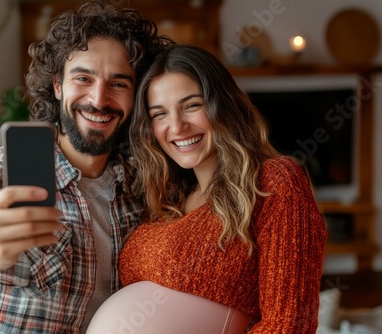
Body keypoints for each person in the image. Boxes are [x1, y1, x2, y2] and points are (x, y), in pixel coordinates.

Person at [0, 1, 173, 333]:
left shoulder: (145, 184)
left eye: (119, 83)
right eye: (83, 78)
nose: (99, 99)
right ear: (57, 85)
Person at [87, 45, 328, 333]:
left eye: (191, 105)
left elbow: (289, 324)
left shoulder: (274, 182)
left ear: (222, 105)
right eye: (159, 114)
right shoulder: (168, 197)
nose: (177, 126)